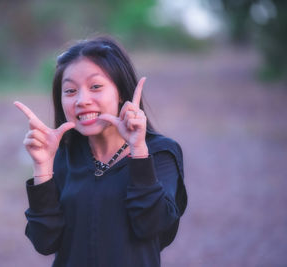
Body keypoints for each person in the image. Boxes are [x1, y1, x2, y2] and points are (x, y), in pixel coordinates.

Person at [14, 36, 187, 267]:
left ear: (121, 93)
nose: (82, 100)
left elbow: (151, 226)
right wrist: (43, 168)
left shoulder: (160, 153)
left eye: (95, 86)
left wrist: (138, 150)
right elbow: (45, 242)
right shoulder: (64, 155)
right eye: (70, 90)